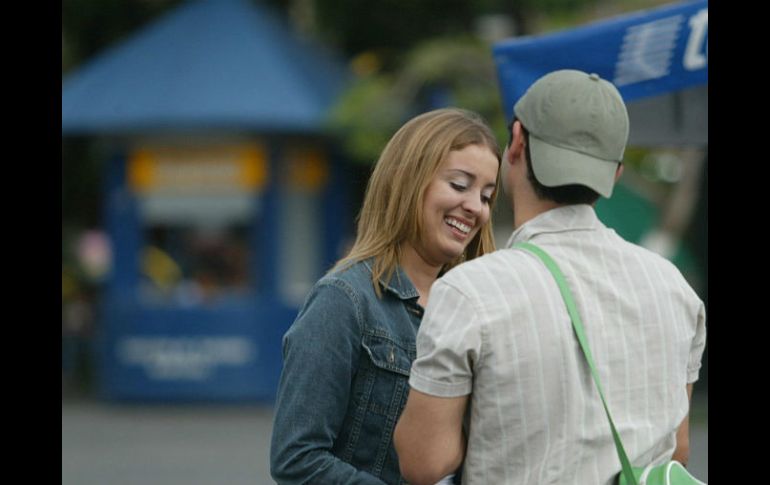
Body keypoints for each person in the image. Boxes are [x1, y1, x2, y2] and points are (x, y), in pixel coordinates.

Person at [393, 70, 707, 485]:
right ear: (613, 174)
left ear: (518, 142)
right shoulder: (674, 289)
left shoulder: (470, 292)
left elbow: (425, 463)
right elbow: (677, 448)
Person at [270, 108, 501, 484]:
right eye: (459, 185)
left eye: (487, 195)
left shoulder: (476, 308)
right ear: (408, 180)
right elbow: (297, 459)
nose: (476, 207)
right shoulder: (343, 300)